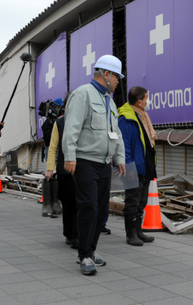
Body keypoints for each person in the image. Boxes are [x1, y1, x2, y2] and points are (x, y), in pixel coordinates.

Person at [62, 55, 126, 275]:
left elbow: (115, 133)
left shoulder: (110, 101)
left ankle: (91, 249)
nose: (118, 81)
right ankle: (84, 255)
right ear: (106, 74)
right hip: (85, 161)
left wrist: (120, 158)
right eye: (117, 76)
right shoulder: (83, 95)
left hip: (103, 163)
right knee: (88, 206)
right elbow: (71, 127)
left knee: (100, 209)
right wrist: (69, 156)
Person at [118, 86, 158, 246]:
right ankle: (131, 233)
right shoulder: (126, 118)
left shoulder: (143, 116)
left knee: (142, 200)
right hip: (133, 166)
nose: (148, 101)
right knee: (132, 201)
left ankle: (139, 230)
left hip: (145, 165)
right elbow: (124, 144)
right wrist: (127, 166)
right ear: (139, 101)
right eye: (146, 97)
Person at [45, 95, 77, 248]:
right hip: (65, 170)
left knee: (79, 203)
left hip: (82, 169)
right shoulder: (60, 122)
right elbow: (53, 147)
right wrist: (50, 169)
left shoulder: (84, 119)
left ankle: (76, 234)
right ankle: (69, 234)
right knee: (69, 204)